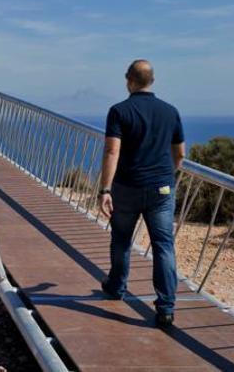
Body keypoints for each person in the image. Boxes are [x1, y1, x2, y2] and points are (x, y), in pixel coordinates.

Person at [98, 59, 185, 330]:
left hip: (127, 187)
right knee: (163, 245)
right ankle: (166, 308)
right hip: (161, 188)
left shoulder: (119, 111)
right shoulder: (170, 112)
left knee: (122, 239)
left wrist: (104, 189)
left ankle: (116, 287)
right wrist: (168, 176)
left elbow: (113, 151)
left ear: (129, 80)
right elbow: (180, 153)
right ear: (152, 81)